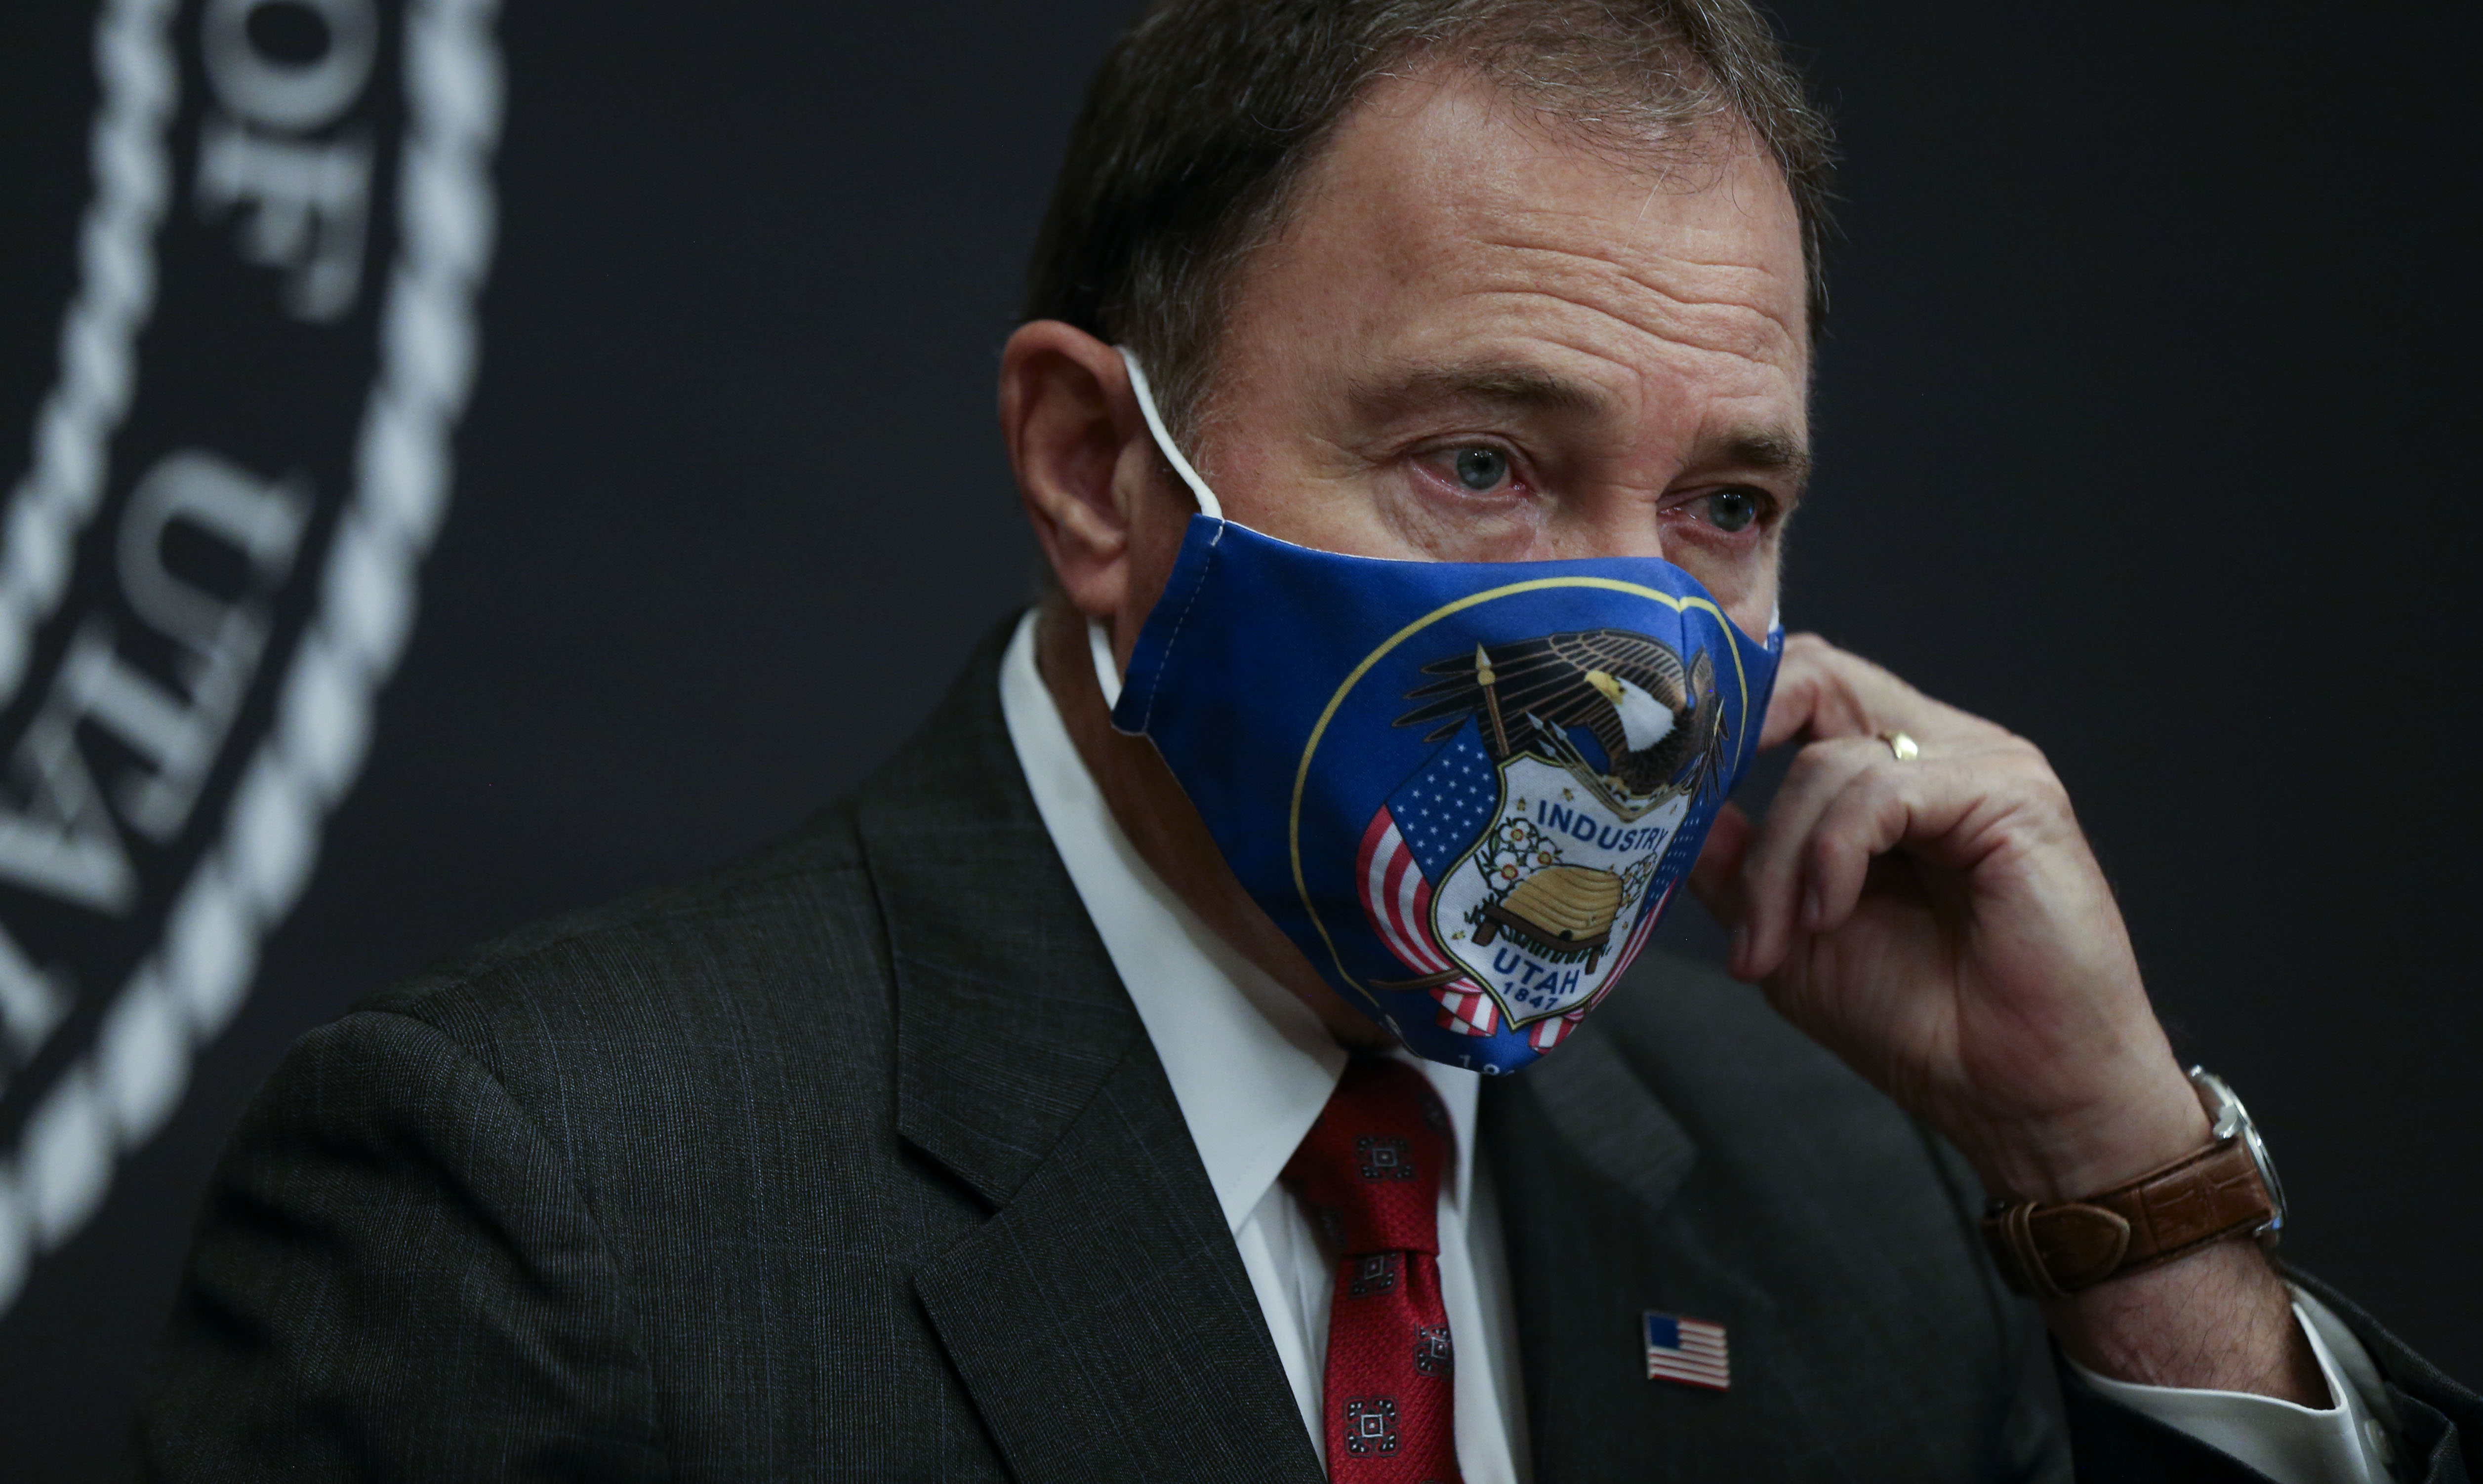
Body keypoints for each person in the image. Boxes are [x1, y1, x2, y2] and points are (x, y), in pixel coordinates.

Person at [133, 2, 2475, 1480]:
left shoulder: (1857, 1212)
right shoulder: (538, 1205)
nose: (1636, 642)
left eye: (1724, 505)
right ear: (1096, 469)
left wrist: (2124, 1192)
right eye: (1483, 460)